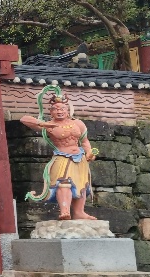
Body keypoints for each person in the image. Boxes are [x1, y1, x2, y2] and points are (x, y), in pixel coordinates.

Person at [20, 89, 98, 220]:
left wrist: (90, 152)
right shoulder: (50, 126)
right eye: (55, 109)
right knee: (63, 183)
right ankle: (64, 211)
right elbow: (24, 119)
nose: (59, 111)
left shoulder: (78, 123)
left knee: (82, 184)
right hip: (62, 157)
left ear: (68, 110)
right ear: (51, 112)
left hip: (79, 157)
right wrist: (42, 123)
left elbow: (85, 141)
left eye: (62, 108)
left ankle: (79, 212)